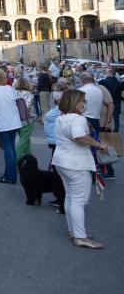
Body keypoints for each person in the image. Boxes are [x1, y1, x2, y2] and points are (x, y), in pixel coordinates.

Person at [52, 89, 108, 249]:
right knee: (78, 201)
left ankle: (75, 232)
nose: (84, 104)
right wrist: (99, 145)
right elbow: (79, 136)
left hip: (62, 161)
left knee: (70, 198)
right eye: (82, 101)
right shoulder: (78, 119)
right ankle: (80, 237)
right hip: (76, 164)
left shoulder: (61, 118)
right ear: (75, 103)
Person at [0, 68, 21, 184]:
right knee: (11, 147)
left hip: (3, 123)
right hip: (14, 121)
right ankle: (9, 174)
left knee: (8, 148)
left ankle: (10, 176)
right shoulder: (10, 88)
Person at [14, 77, 36, 160]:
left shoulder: (14, 93)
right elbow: (28, 106)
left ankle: (28, 159)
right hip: (28, 120)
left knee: (26, 140)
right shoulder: (29, 94)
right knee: (23, 141)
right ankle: (15, 161)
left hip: (17, 119)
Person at [98, 67, 122, 132]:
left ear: (108, 74)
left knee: (105, 117)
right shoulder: (119, 83)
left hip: (105, 104)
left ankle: (106, 130)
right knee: (116, 118)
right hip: (116, 102)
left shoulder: (102, 82)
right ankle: (115, 131)